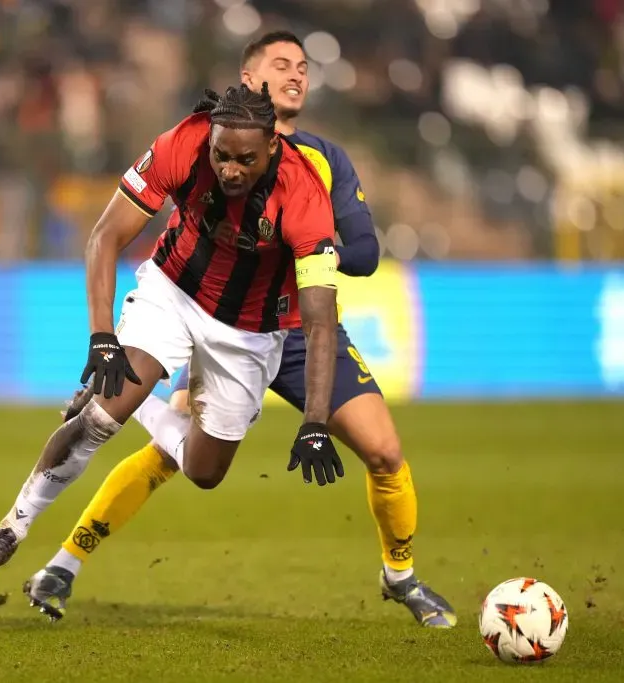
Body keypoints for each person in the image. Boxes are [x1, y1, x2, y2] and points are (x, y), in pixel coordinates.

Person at [29, 32, 457, 628]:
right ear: (248, 80)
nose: (298, 75)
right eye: (281, 65)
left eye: (304, 68)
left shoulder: (322, 162)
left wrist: (312, 233)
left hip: (302, 333)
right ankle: (63, 563)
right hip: (220, 323)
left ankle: (401, 576)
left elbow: (361, 252)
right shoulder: (207, 147)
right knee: (172, 456)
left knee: (384, 450)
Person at [0, 81, 347, 618]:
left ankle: (140, 406)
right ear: (208, 139)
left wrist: (316, 421)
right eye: (222, 155)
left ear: (273, 148)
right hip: (174, 291)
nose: (230, 169)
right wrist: (102, 337)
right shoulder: (180, 145)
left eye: (245, 160)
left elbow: (322, 322)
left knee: (205, 472)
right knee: (102, 418)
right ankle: (11, 528)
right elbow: (104, 236)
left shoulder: (305, 196)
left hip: (250, 332)